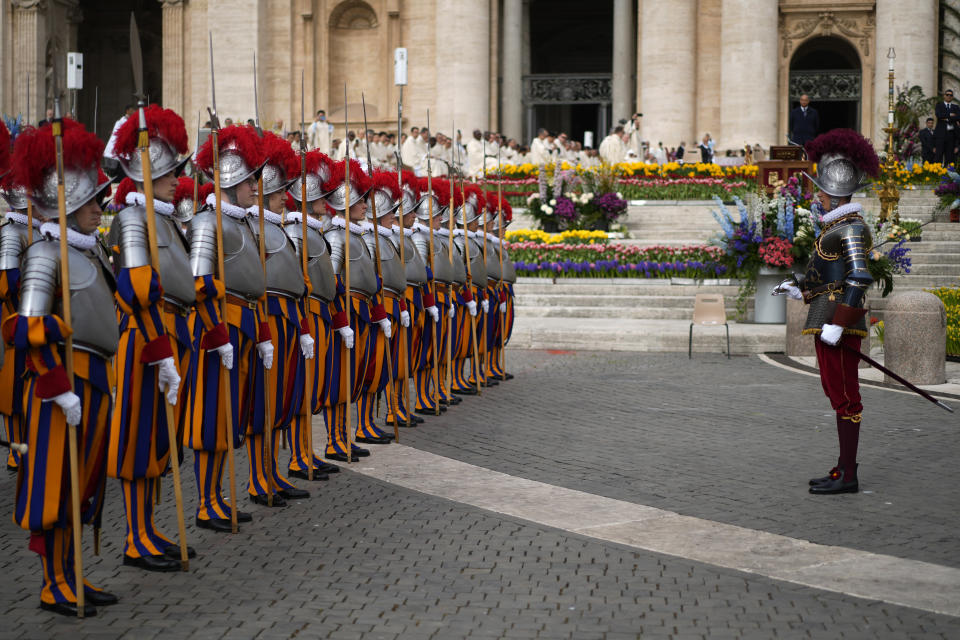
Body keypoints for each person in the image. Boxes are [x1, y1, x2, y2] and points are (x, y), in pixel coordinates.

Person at [6, 116, 119, 616]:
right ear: (70, 208)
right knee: (56, 485)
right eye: (93, 202)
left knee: (86, 481)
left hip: (93, 378)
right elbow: (22, 329)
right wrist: (57, 380)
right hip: (60, 387)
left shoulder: (90, 251)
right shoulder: (45, 254)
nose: (101, 209)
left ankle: (73, 572)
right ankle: (54, 582)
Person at [107, 104, 193, 572]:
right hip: (143, 339)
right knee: (139, 439)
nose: (176, 179)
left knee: (160, 439)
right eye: (169, 173)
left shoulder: (158, 217)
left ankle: (151, 526)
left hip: (164, 333)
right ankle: (135, 536)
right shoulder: (133, 218)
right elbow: (135, 288)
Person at [773, 128, 878, 495]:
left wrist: (839, 322)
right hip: (828, 316)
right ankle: (842, 467)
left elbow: (859, 275)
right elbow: (828, 274)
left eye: (821, 188)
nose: (817, 193)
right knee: (836, 392)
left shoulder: (850, 227)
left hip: (839, 322)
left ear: (833, 193)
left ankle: (849, 474)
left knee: (846, 395)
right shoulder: (835, 226)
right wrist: (800, 286)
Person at [188, 124, 267, 532]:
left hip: (243, 326)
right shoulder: (207, 224)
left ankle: (218, 496)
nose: (256, 187)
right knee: (212, 418)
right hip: (218, 328)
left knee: (230, 416)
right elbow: (198, 283)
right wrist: (217, 333)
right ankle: (204, 502)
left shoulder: (244, 222)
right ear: (232, 180)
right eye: (250, 180)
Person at [245, 130, 313, 505]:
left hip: (287, 315)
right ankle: (258, 477)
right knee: (264, 401)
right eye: (277, 194)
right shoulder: (252, 228)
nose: (284, 198)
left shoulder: (276, 226)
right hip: (267, 316)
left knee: (284, 397)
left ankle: (271, 472)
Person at [285, 149, 343, 478]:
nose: (326, 201)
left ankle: (307, 449)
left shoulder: (315, 230)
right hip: (306, 316)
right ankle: (297, 456)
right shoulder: (297, 231)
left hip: (321, 313)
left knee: (316, 385)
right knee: (302, 388)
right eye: (320, 196)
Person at [322, 158, 379, 462]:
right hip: (345, 312)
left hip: (361, 310)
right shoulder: (336, 235)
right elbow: (332, 279)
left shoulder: (355, 233)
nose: (365, 207)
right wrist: (340, 317)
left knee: (354, 375)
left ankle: (344, 434)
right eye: (359, 201)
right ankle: (333, 439)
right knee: (339, 377)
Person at [934, 90, 960, 165]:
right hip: (940, 135)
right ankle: (936, 174)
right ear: (944, 96)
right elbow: (939, 115)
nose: (949, 96)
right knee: (938, 156)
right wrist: (951, 115)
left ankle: (947, 174)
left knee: (949, 157)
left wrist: (946, 118)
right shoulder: (939, 105)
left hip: (951, 135)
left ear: (952, 97)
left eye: (951, 95)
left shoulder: (956, 107)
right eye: (947, 94)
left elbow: (958, 117)